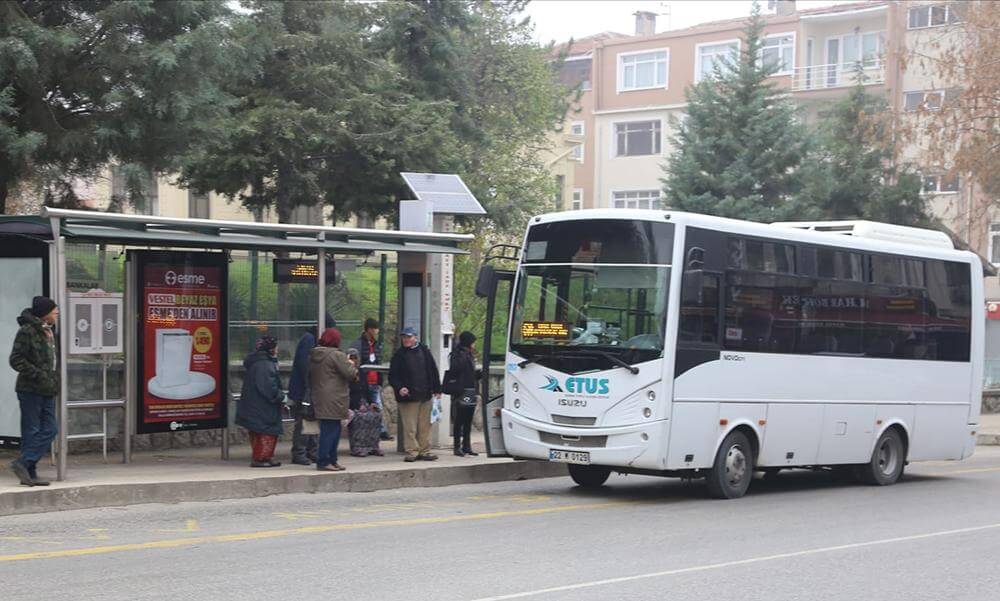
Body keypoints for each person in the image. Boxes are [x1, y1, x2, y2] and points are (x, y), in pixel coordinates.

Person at [7, 296, 59, 486]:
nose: (57, 313)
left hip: (48, 388)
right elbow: (16, 359)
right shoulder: (27, 331)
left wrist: (51, 379)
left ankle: (24, 463)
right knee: (32, 430)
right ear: (45, 313)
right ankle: (29, 471)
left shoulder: (49, 331)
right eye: (54, 311)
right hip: (30, 388)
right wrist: (39, 375)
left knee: (51, 429)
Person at [388, 327, 441, 462]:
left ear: (415, 338)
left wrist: (437, 389)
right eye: (404, 337)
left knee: (425, 426)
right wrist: (400, 387)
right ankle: (412, 451)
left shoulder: (424, 351)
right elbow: (393, 376)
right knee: (410, 427)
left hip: (425, 394)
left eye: (409, 337)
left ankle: (425, 450)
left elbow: (433, 370)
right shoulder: (399, 355)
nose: (406, 339)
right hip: (408, 397)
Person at [287, 314, 334, 465]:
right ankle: (299, 452)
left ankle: (311, 450)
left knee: (312, 421)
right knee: (303, 421)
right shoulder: (309, 339)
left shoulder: (315, 340)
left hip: (311, 388)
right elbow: (304, 365)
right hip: (304, 389)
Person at [309, 327, 357, 472]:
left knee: (328, 429)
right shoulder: (337, 355)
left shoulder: (315, 354)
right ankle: (325, 460)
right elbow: (350, 373)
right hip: (335, 397)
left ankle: (331, 460)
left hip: (321, 396)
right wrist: (353, 365)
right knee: (332, 431)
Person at [237, 336, 285, 468]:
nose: (277, 349)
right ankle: (261, 458)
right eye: (275, 346)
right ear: (270, 348)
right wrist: (280, 396)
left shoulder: (258, 362)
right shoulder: (265, 364)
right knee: (266, 432)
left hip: (255, 405)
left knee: (258, 432)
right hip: (263, 406)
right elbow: (268, 387)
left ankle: (264, 457)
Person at [350, 318, 393, 441]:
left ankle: (381, 430)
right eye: (375, 328)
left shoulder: (376, 344)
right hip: (363, 382)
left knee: (377, 406)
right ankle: (370, 431)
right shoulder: (358, 344)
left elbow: (377, 361)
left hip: (374, 381)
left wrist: (380, 380)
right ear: (369, 329)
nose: (377, 331)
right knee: (363, 407)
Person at [345, 348, 384, 457]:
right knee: (360, 417)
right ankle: (358, 447)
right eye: (351, 358)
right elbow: (346, 392)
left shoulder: (361, 372)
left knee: (376, 414)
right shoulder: (345, 373)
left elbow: (366, 389)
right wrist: (357, 405)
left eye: (355, 358)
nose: (353, 360)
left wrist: (371, 402)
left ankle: (373, 446)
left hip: (363, 401)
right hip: (350, 404)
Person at [448, 331, 481, 457]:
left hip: (470, 389)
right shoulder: (458, 354)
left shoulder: (469, 355)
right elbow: (456, 369)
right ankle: (457, 446)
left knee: (468, 419)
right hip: (461, 390)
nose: (474, 345)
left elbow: (469, 373)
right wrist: (464, 356)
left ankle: (467, 445)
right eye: (473, 342)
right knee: (459, 419)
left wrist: (478, 374)